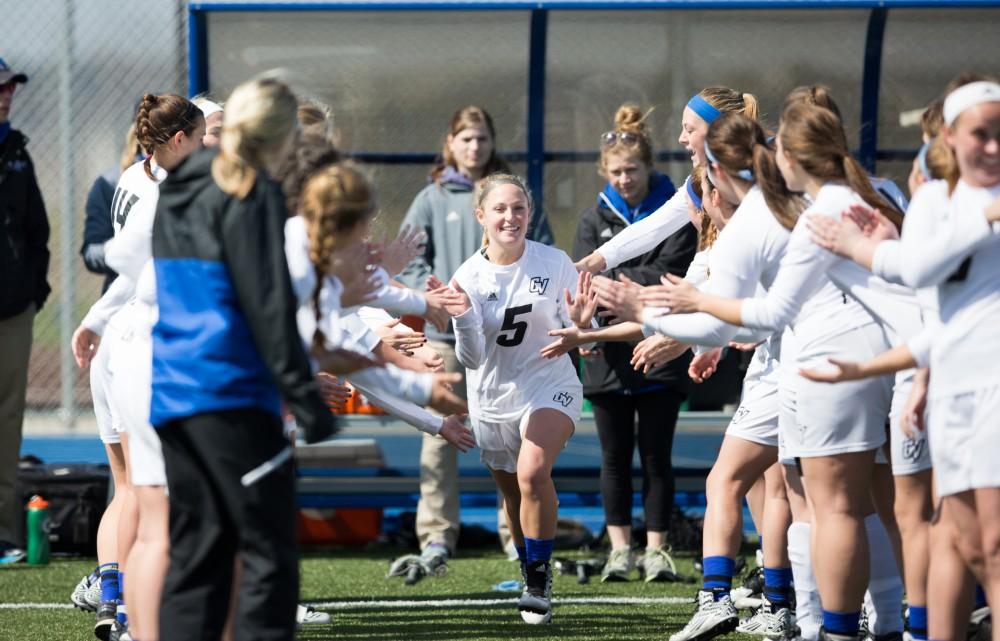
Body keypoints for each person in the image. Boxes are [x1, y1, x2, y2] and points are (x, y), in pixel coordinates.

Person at [151, 76, 336, 641]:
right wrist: (307, 399)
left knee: (197, 561)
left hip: (174, 395)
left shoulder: (179, 183)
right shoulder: (248, 192)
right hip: (232, 397)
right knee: (267, 559)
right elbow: (268, 305)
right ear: (282, 137)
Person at [430, 172, 594, 624]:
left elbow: (577, 330)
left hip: (549, 384)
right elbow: (472, 357)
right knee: (514, 491)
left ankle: (539, 582)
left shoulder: (555, 261)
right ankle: (529, 568)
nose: (510, 217)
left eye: (519, 208)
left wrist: (582, 328)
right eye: (500, 209)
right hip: (492, 397)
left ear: (530, 213)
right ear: (481, 215)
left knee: (533, 471)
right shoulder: (468, 276)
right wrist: (463, 318)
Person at [397, 106, 543, 563]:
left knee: (515, 435)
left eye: (481, 138)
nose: (474, 147)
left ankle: (515, 536)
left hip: (510, 339)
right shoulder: (431, 198)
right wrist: (438, 298)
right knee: (440, 436)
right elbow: (408, 257)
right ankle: (437, 535)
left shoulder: (514, 194)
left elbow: (543, 254)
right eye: (465, 139)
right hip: (446, 340)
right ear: (451, 143)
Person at [571, 103, 697, 583]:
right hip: (605, 352)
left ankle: (657, 549)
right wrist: (617, 289)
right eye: (617, 172)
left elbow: (675, 275)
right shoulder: (592, 217)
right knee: (613, 457)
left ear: (649, 167)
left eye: (633, 170)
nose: (625, 179)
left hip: (663, 343)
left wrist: (617, 281)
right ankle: (620, 548)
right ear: (605, 172)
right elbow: (585, 279)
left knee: (657, 456)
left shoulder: (681, 203)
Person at [575, 86, 758, 275]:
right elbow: (653, 228)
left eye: (690, 130)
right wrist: (589, 265)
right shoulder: (699, 183)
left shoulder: (765, 182)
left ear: (720, 131)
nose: (681, 139)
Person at [0, 56, 50, 565]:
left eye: (10, 86)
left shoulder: (17, 150)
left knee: (7, 418)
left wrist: (34, 290)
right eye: (0, 87)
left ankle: (1, 532)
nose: (6, 94)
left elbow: (37, 231)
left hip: (12, 308)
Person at [79, 122, 141, 293]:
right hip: (124, 295)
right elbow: (92, 252)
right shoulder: (109, 184)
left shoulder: (178, 178)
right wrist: (125, 251)